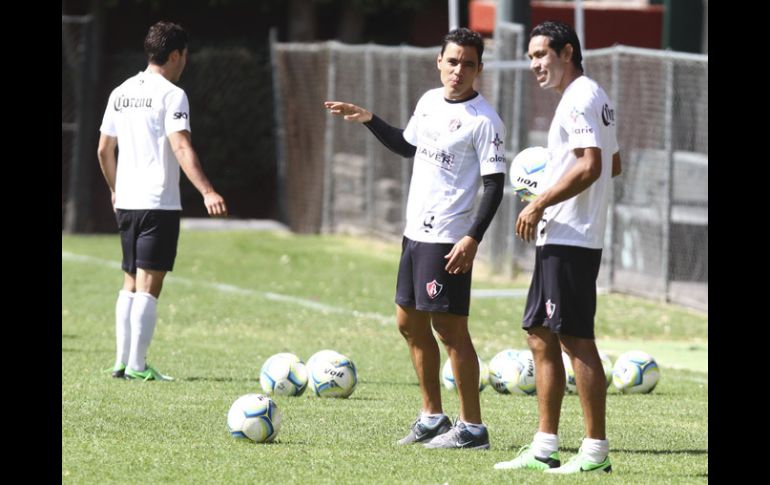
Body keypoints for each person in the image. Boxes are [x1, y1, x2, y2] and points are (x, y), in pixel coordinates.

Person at [324, 28, 506, 450]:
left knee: (449, 328)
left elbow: (494, 186)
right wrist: (370, 120)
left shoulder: (484, 121)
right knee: (408, 323)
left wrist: (472, 237)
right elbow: (407, 146)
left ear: (479, 69)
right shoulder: (427, 102)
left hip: (448, 237)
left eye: (468, 64)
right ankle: (432, 417)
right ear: (439, 62)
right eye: (453, 61)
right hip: (415, 233)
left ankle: (472, 429)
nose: (459, 70)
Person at [493, 21, 621, 473]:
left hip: (572, 237)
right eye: (530, 57)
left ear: (567, 52)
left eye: (541, 55)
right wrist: (551, 183)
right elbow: (614, 164)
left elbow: (592, 166)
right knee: (539, 335)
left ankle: (594, 453)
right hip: (563, 234)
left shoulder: (580, 97)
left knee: (574, 340)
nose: (534, 65)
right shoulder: (593, 96)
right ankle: (544, 446)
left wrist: (540, 200)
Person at [97, 21, 228, 382]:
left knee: (128, 281)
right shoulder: (172, 94)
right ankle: (138, 366)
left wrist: (114, 189)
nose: (185, 62)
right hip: (158, 203)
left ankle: (121, 362)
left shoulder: (120, 91)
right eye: (184, 55)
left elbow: (104, 149)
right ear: (175, 55)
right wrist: (207, 191)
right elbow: (181, 146)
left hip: (127, 202)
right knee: (149, 285)